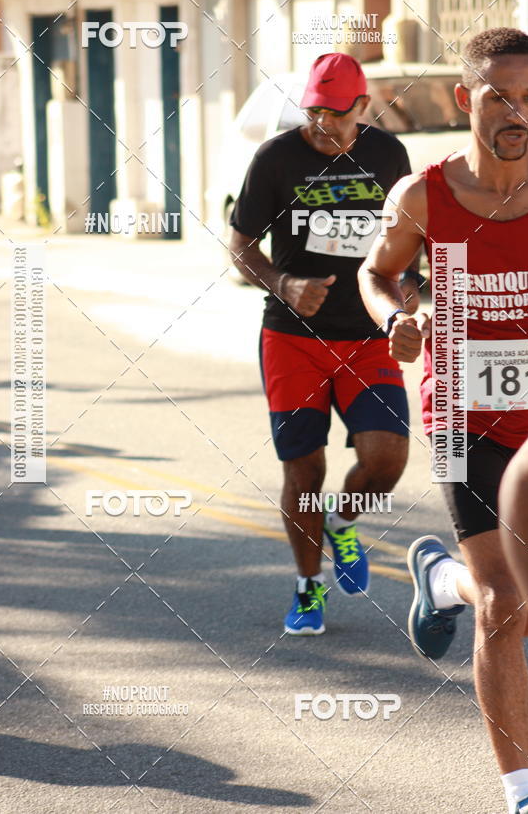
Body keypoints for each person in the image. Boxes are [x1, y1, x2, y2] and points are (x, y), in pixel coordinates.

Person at [358, 27, 528, 814]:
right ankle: (524, 792)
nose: (518, 112)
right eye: (501, 95)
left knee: (525, 598)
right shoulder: (424, 195)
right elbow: (377, 271)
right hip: (462, 410)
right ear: (466, 99)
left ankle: (438, 580)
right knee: (505, 605)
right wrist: (399, 316)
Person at [229, 52, 421, 636]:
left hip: (367, 337)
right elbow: (239, 247)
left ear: (363, 107)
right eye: (314, 113)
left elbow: (407, 242)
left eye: (337, 115)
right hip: (293, 340)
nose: (323, 126)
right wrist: (285, 283)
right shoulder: (276, 157)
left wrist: (409, 296)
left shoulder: (388, 154)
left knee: (387, 458)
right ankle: (309, 587)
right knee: (304, 469)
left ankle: (344, 522)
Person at [499, 423, 528, 657]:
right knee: (500, 601)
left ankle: (445, 581)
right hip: (456, 419)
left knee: (517, 612)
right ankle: (444, 579)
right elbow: (526, 478)